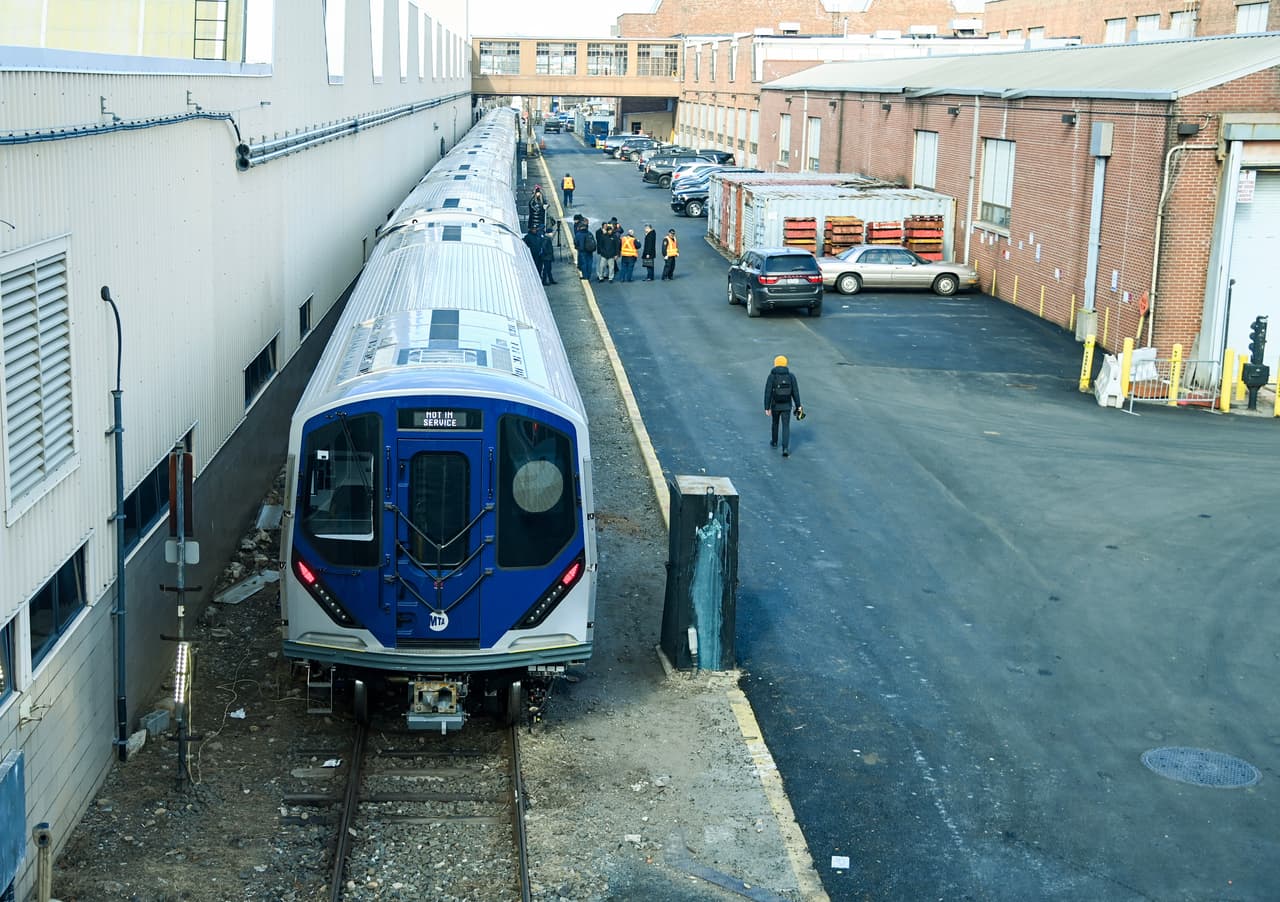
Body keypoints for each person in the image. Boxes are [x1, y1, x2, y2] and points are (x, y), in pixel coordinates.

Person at [764, 355, 803, 458]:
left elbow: (768, 392)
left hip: (775, 405)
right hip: (787, 406)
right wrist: (798, 406)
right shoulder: (791, 376)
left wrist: (767, 407)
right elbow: (795, 392)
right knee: (786, 426)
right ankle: (785, 448)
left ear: (775, 364)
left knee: (775, 423)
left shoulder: (772, 376)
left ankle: (774, 442)